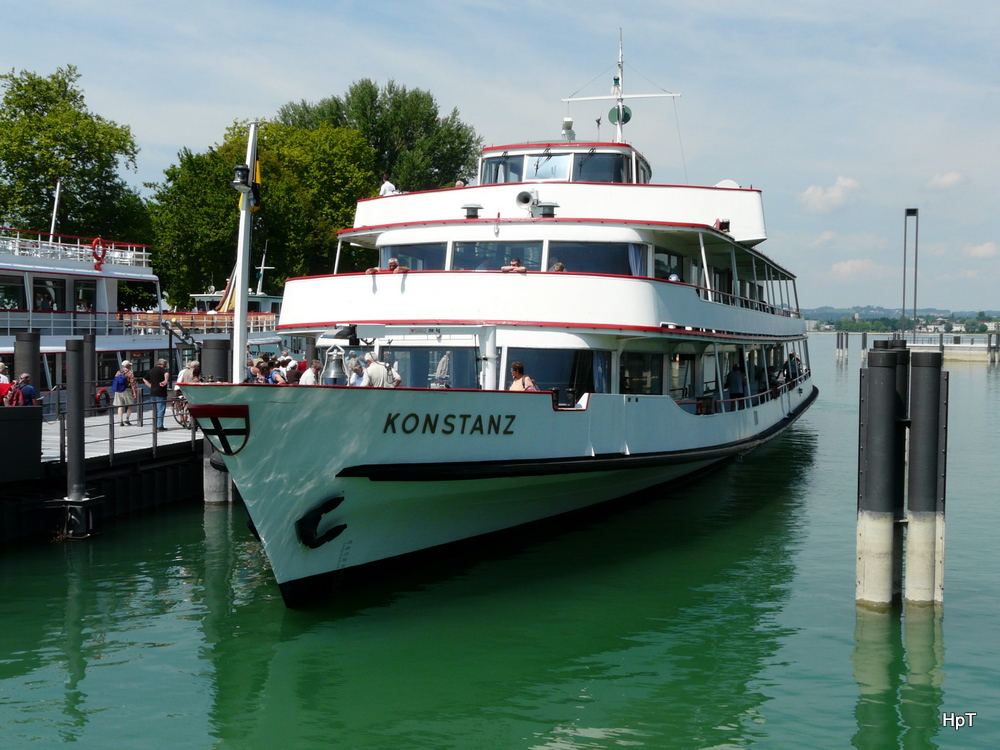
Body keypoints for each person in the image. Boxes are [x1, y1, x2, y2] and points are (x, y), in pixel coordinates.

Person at [143, 358, 170, 431]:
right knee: (161, 409)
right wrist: (165, 381)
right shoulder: (161, 369)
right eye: (165, 364)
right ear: (162, 364)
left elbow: (144, 378)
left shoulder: (151, 370)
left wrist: (149, 385)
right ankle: (160, 426)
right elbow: (166, 373)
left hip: (153, 392)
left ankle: (155, 424)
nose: (165, 366)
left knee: (155, 409)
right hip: (161, 392)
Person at [112, 360, 139, 426]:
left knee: (120, 406)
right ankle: (127, 419)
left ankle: (120, 421)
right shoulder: (130, 372)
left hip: (118, 390)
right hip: (127, 390)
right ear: (127, 366)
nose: (130, 366)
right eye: (129, 365)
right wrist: (134, 392)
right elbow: (133, 383)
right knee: (130, 405)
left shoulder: (118, 372)